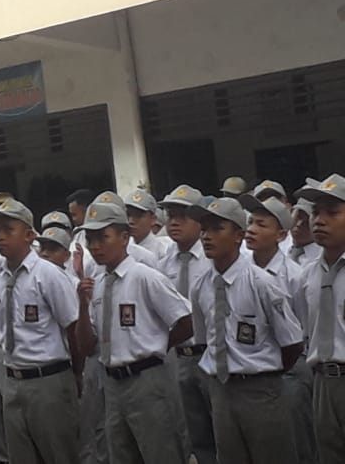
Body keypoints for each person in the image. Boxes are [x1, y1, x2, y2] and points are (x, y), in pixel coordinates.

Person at [74, 202, 192, 464]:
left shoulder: (144, 276)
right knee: (121, 453)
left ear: (124, 238)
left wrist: (159, 345)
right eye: (91, 238)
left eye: (103, 237)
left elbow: (185, 320)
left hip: (146, 379)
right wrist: (82, 306)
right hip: (113, 381)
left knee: (161, 451)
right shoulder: (99, 283)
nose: (95, 246)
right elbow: (87, 344)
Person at [189, 198, 304, 464]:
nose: (207, 236)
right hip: (220, 387)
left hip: (259, 387)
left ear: (238, 235)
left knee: (272, 455)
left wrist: (264, 375)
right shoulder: (201, 286)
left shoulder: (262, 283)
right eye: (204, 229)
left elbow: (292, 344)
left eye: (217, 229)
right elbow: (204, 340)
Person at [0, 199, 80, 464]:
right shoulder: (0, 277)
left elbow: (71, 326)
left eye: (8, 230)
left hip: (47, 380)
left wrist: (76, 373)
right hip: (13, 379)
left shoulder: (47, 275)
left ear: (29, 235)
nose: (0, 237)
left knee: (59, 454)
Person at [156, 185, 216, 464]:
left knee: (221, 430)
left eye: (182, 215)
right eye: (170, 214)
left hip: (208, 353)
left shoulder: (212, 258)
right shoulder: (163, 261)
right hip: (178, 357)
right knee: (192, 434)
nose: (174, 221)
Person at [295, 174, 345, 463]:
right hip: (323, 383)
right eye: (315, 212)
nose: (319, 220)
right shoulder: (307, 276)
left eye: (332, 213)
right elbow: (306, 331)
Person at [125, 189, 173, 260]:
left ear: (153, 219)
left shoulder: (165, 250)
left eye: (138, 215)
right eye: (128, 215)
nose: (131, 221)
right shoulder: (121, 248)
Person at [289, 199, 322, 267]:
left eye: (307, 221)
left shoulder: (323, 257)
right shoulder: (276, 243)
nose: (299, 224)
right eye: (298, 217)